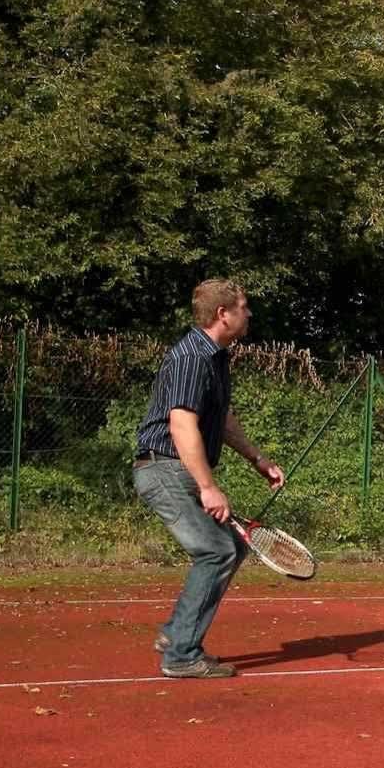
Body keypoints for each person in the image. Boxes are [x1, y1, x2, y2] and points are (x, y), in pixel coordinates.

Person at [133, 279, 285, 677]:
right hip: (163, 467)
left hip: (172, 467)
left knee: (232, 546)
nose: (248, 314)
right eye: (243, 307)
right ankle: (181, 655)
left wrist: (258, 459)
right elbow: (182, 423)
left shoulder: (215, 356)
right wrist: (207, 487)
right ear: (223, 314)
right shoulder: (191, 357)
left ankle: (176, 634)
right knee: (217, 551)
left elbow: (222, 418)